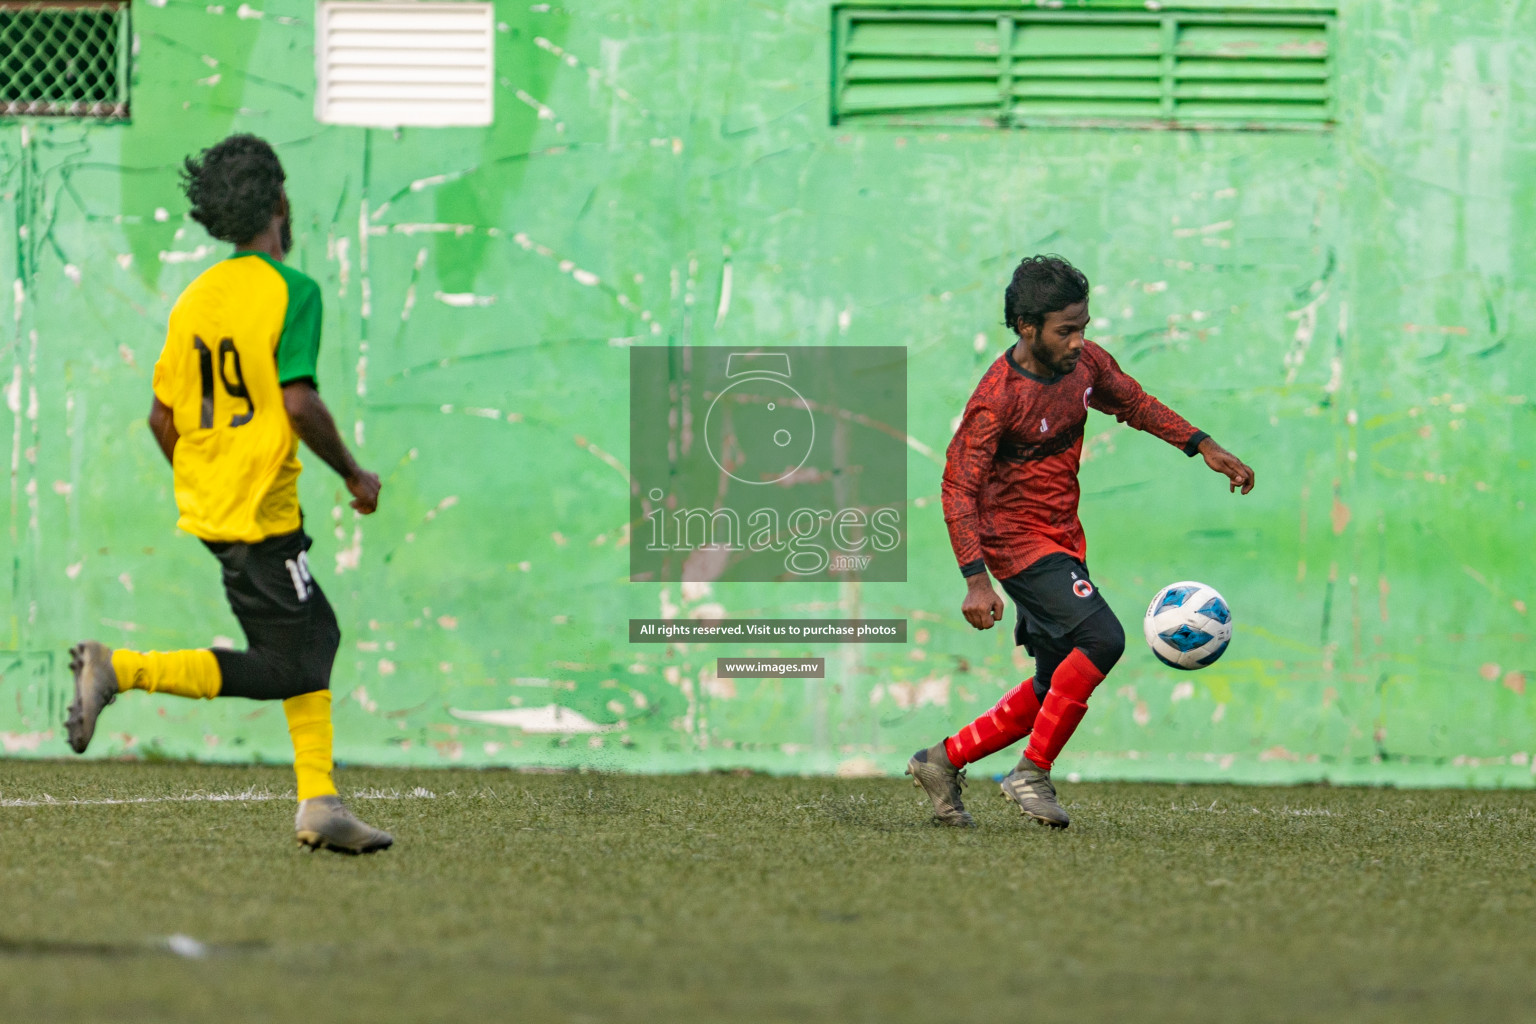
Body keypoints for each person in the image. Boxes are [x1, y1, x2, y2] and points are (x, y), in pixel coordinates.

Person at [64, 134, 392, 854]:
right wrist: (354, 474)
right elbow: (298, 404)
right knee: (289, 663)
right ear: (280, 202)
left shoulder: (196, 299)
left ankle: (321, 801)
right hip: (261, 512)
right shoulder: (292, 291)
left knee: (315, 633)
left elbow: (161, 416)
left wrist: (209, 476)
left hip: (217, 508)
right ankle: (120, 668)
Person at [907, 255, 1255, 829]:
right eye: (1065, 330)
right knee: (1103, 637)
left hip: (1063, 537)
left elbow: (1135, 402)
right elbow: (957, 486)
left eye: (1083, 327)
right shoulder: (997, 398)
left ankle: (940, 762)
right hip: (1015, 543)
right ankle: (1031, 773)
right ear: (1027, 327)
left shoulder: (1085, 366)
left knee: (1053, 684)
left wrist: (1202, 444)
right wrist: (976, 579)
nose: (1078, 340)